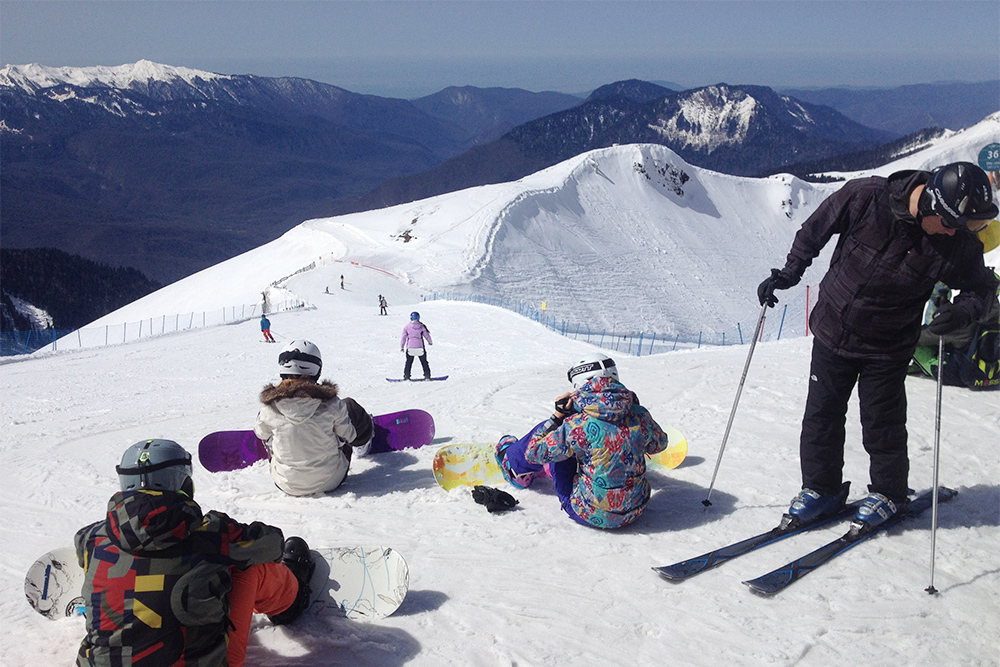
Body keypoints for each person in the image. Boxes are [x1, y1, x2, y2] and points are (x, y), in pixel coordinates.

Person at [757, 161, 1000, 532]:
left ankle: (889, 493)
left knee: (882, 424)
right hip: (833, 328)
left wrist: (962, 313)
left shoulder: (955, 243)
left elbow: (981, 288)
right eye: (950, 223)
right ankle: (821, 490)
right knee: (821, 416)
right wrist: (790, 272)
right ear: (932, 202)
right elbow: (814, 230)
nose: (954, 233)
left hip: (888, 346)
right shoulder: (867, 196)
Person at [75, 439, 314, 667]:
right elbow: (272, 545)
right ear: (184, 485)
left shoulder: (90, 538)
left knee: (107, 566)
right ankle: (291, 602)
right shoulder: (214, 534)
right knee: (246, 563)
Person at [495, 352, 670, 529]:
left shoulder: (577, 425)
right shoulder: (639, 415)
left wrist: (557, 417)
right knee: (576, 442)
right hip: (635, 511)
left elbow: (533, 453)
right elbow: (659, 444)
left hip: (588, 514)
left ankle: (514, 467)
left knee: (561, 439)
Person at [254, 339, 374, 496]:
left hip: (286, 484)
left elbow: (261, 434)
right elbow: (349, 435)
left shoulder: (269, 408)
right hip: (331, 480)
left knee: (266, 427)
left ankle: (286, 451)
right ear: (317, 369)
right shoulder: (332, 404)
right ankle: (363, 445)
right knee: (349, 405)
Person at [400, 311, 433, 380]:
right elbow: (426, 335)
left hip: (410, 348)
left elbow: (403, 338)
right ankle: (427, 376)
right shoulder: (421, 326)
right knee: (424, 362)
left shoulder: (407, 327)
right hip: (420, 348)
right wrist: (430, 341)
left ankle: (407, 376)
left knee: (408, 362)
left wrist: (402, 346)